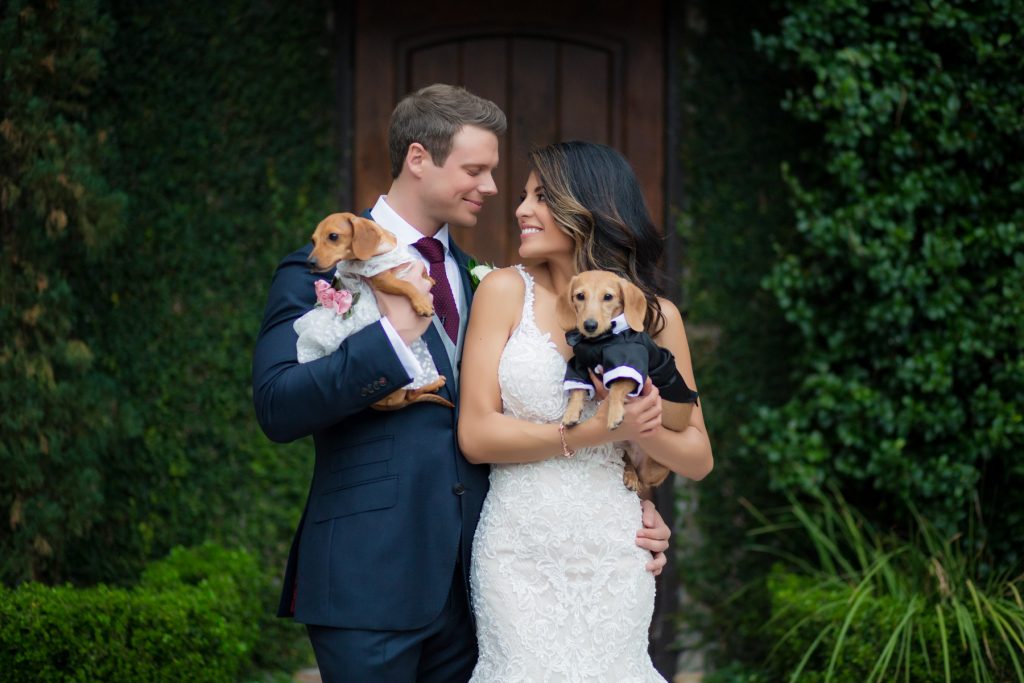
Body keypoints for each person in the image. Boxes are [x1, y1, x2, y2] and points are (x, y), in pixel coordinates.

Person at [251, 85, 673, 682]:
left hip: (488, 584)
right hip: (370, 578)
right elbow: (277, 406)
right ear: (419, 158)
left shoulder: (488, 281)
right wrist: (392, 340)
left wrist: (632, 500)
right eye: (476, 170)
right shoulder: (326, 265)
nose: (493, 189)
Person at [458, 141, 714, 681]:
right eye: (525, 196)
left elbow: (697, 456)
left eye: (541, 197)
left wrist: (646, 428)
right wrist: (596, 430)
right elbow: (477, 434)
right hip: (518, 548)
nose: (521, 209)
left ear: (589, 208)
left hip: (613, 551)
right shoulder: (503, 292)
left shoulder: (658, 316)